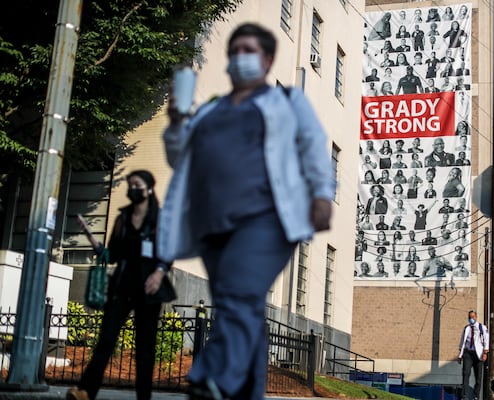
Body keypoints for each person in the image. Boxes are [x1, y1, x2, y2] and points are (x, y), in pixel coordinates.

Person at [160, 23, 335, 400]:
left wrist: (322, 195)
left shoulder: (286, 101)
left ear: (268, 59)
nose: (240, 57)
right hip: (212, 224)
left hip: (267, 219)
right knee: (241, 307)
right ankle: (247, 393)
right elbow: (179, 158)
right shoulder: (210, 111)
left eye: (249, 50)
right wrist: (176, 121)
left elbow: (314, 144)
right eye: (235, 49)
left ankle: (212, 376)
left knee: (239, 293)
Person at [67, 170, 176, 400]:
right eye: (130, 185)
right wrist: (90, 237)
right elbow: (112, 254)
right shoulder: (123, 219)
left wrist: (159, 273)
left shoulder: (161, 220)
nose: (132, 189)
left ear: (148, 188)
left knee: (145, 349)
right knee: (106, 339)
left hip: (149, 290)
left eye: (136, 184)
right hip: (122, 287)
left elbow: (168, 252)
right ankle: (86, 391)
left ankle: (143, 397)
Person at [458, 310, 489, 400]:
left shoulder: (481, 327)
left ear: (476, 317)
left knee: (478, 377)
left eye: (472, 317)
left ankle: (476, 396)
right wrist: (460, 355)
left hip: (478, 354)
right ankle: (465, 395)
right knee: (465, 373)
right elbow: (462, 341)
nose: (471, 319)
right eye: (469, 317)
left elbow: (486, 340)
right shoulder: (466, 328)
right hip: (468, 353)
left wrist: (485, 353)